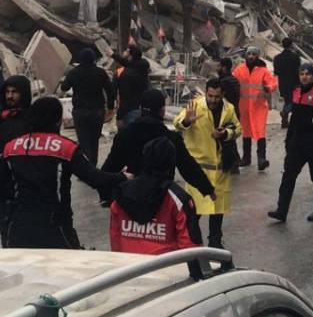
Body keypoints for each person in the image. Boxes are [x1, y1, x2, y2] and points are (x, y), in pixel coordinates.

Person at [0, 96, 126, 249]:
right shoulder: (66, 148)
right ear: (57, 120)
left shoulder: (11, 147)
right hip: (55, 226)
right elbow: (95, 178)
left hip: (19, 226)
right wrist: (121, 177)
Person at [109, 137, 203, 273]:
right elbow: (190, 245)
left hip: (128, 271)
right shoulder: (177, 198)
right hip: (168, 272)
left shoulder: (122, 193)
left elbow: (115, 237)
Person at [103, 89, 215, 203]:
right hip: (162, 198)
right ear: (162, 111)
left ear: (141, 108)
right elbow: (188, 167)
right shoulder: (171, 138)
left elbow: (111, 167)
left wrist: (105, 195)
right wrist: (207, 188)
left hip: (133, 196)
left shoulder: (125, 135)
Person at [173, 79, 241, 248]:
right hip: (199, 170)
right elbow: (177, 124)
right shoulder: (195, 106)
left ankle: (215, 243)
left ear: (222, 94)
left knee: (218, 211)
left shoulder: (229, 109)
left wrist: (226, 133)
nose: (213, 100)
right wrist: (188, 121)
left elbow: (238, 129)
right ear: (206, 92)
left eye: (217, 96)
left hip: (220, 170)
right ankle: (190, 242)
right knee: (195, 211)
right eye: (210, 96)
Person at [268, 64, 313, 223]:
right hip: (297, 143)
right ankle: (281, 210)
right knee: (288, 177)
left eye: (307, 74)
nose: (304, 77)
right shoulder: (296, 92)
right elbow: (294, 120)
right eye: (301, 74)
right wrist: (288, 140)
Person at [0, 75, 34, 247]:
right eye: (7, 92)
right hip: (3, 187)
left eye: (14, 92)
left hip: (29, 186)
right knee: (7, 234)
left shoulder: (33, 119)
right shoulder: (0, 120)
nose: (10, 96)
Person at [60, 48, 116, 166]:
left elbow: (64, 87)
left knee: (83, 139)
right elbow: (110, 90)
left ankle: (87, 167)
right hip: (97, 111)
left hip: (80, 111)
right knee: (94, 140)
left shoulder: (74, 72)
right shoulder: (100, 72)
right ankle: (93, 164)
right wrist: (110, 107)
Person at [232, 47, 278, 170]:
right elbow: (232, 80)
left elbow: (272, 82)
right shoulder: (239, 69)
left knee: (260, 132)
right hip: (244, 106)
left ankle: (261, 158)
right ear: (246, 56)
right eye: (249, 54)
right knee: (246, 132)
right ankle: (246, 158)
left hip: (259, 107)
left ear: (257, 56)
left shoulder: (263, 70)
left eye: (253, 54)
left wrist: (268, 88)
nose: (251, 56)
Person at [113, 46, 151, 126]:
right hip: (141, 108)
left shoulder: (127, 75)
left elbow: (125, 97)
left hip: (128, 112)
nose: (124, 53)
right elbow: (126, 62)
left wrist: (119, 116)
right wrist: (113, 55)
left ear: (130, 56)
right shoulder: (140, 69)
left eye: (126, 51)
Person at [273, 38, 301, 129]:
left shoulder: (277, 58)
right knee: (293, 101)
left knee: (287, 100)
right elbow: (298, 71)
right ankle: (285, 112)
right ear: (291, 45)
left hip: (283, 83)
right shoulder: (295, 57)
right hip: (294, 82)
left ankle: (284, 121)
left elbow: (276, 72)